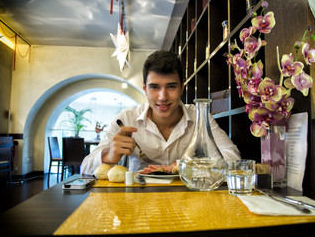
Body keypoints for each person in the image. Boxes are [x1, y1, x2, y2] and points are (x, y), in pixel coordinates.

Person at [81, 50, 240, 174]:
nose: (163, 97)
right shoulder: (125, 119)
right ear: (145, 89)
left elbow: (232, 158)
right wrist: (109, 156)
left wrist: (183, 165)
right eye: (154, 87)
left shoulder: (200, 116)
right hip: (139, 200)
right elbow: (85, 168)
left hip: (188, 201)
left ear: (182, 88)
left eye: (171, 86)